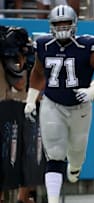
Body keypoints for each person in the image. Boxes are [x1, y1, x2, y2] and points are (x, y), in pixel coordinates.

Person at [23, 5, 94, 203]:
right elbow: (38, 73)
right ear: (51, 25)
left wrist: (93, 90)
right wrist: (31, 99)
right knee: (55, 153)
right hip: (52, 104)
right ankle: (53, 200)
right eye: (58, 24)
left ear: (74, 24)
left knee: (77, 152)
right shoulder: (44, 44)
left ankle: (74, 167)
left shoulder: (88, 45)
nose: (62, 27)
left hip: (80, 107)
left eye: (66, 23)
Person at [0, 25, 45, 203]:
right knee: (9, 159)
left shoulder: (31, 58)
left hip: (28, 109)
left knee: (29, 159)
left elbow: (30, 87)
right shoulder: (9, 58)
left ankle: (24, 198)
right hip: (9, 110)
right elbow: (17, 82)